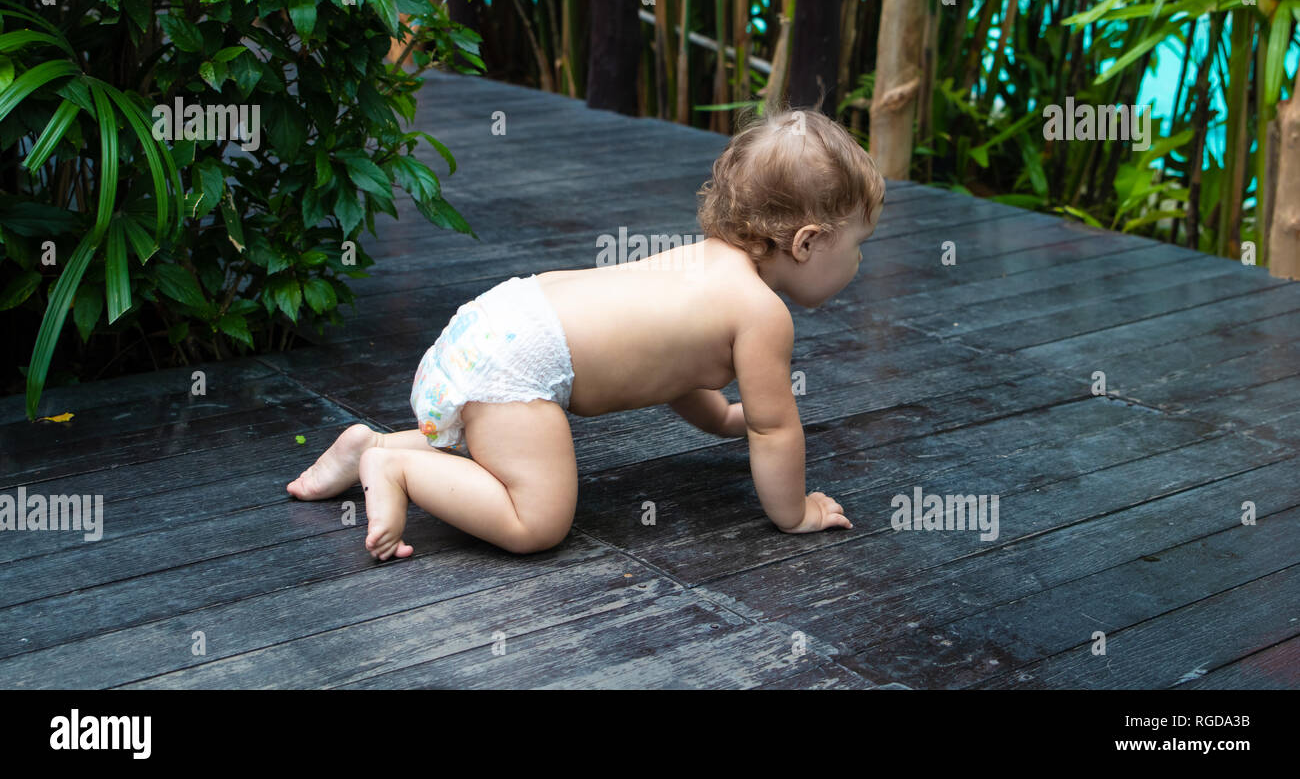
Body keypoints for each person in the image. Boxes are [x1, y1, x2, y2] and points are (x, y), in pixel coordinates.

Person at [287, 104, 886, 560]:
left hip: (503, 319)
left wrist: (721, 420)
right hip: (522, 364)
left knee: (499, 449)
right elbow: (774, 428)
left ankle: (374, 447)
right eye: (858, 246)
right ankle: (400, 472)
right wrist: (794, 512)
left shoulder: (703, 262)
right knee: (538, 521)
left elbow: (675, 370)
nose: (859, 264)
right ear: (807, 242)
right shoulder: (762, 313)